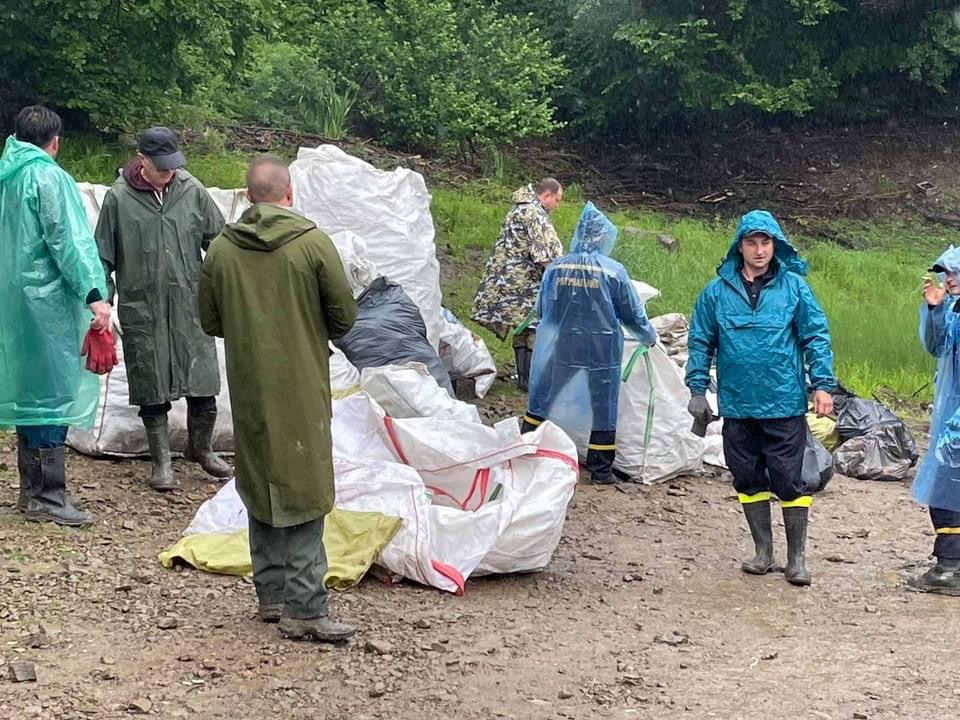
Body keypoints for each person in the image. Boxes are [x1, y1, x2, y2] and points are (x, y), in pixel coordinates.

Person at [198, 154, 358, 641]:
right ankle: (306, 608)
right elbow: (345, 316)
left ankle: (270, 596)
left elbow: (209, 321)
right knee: (306, 488)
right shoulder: (312, 244)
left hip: (249, 385)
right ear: (289, 194)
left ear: (248, 197)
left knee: (260, 480)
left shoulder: (222, 250)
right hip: (301, 385)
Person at [685, 210, 835, 587]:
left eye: (765, 242)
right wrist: (697, 390)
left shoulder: (795, 288)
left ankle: (797, 559)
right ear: (740, 246)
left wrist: (822, 385)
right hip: (737, 403)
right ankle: (763, 552)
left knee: (790, 479)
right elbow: (701, 341)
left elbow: (815, 336)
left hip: (783, 401)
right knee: (746, 476)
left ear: (776, 245)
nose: (759, 250)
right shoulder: (716, 292)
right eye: (751, 242)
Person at [95, 127, 230, 491]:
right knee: (151, 384)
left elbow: (219, 241)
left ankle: (201, 449)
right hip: (145, 307)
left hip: (191, 302)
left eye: (175, 166)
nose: (171, 172)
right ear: (143, 160)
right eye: (163, 167)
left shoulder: (191, 189)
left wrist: (227, 288)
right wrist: (101, 305)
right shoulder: (118, 199)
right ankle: (161, 461)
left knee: (202, 379)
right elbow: (102, 258)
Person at [0, 106, 113, 526]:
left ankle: (31, 491)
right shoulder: (48, 177)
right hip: (46, 303)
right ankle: (47, 496)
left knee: (29, 391)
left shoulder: (7, 176)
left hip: (12, 303)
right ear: (56, 141)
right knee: (50, 394)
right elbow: (69, 241)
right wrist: (95, 294)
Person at [521, 202, 657, 485]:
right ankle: (600, 471)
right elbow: (631, 310)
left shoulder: (557, 267)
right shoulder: (613, 271)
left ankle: (526, 450)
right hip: (601, 347)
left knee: (546, 392)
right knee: (602, 403)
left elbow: (542, 310)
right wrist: (647, 334)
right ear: (603, 238)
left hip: (562, 344)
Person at [472, 178, 564, 391]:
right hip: (526, 282)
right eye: (557, 200)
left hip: (509, 278)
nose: (557, 206)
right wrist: (558, 277)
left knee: (521, 327)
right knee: (535, 326)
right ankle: (530, 381)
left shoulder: (518, 209)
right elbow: (542, 254)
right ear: (547, 195)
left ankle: (523, 378)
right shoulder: (534, 214)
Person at [909, 246, 960, 595]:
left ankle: (949, 566)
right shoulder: (953, 309)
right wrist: (935, 308)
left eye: (955, 272)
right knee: (945, 483)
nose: (949, 278)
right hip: (950, 412)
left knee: (944, 482)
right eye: (946, 272)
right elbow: (936, 345)